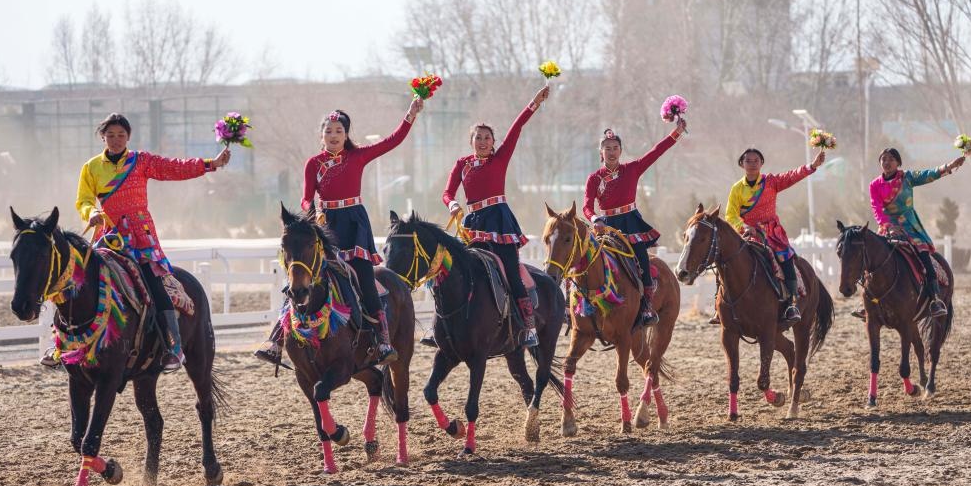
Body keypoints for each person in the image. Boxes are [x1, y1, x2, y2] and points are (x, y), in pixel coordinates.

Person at [42, 113, 231, 370]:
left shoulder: (141, 161)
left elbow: (174, 167)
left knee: (154, 284)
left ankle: (172, 345)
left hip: (141, 238)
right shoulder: (91, 167)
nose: (116, 140)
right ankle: (61, 345)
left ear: (128, 137)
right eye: (111, 135)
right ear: (102, 138)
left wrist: (211, 164)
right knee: (76, 281)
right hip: (108, 237)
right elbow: (83, 200)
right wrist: (92, 213)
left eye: (121, 135)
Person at [255, 96, 424, 366]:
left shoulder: (358, 155)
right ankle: (276, 338)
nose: (333, 135)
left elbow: (393, 140)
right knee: (300, 279)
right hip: (325, 226)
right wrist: (311, 213)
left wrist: (411, 115)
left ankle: (382, 341)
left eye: (339, 131)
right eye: (328, 131)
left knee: (366, 280)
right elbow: (305, 197)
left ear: (346, 135)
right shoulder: (314, 163)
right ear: (321, 135)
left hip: (354, 223)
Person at [421, 85, 551, 348]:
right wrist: (453, 204)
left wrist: (534, 103)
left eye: (487, 138)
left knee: (511, 271)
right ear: (471, 141)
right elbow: (447, 192)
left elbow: (517, 128)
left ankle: (527, 326)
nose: (482, 141)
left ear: (493, 142)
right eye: (478, 137)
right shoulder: (462, 164)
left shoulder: (500, 158)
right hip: (472, 223)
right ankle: (439, 326)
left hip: (499, 221)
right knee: (449, 269)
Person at [581, 119, 686, 324]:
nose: (612, 152)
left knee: (642, 261)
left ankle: (646, 307)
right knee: (583, 260)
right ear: (601, 152)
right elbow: (586, 206)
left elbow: (656, 151)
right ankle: (576, 303)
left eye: (615, 148)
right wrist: (594, 218)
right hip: (606, 226)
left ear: (620, 151)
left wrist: (677, 132)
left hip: (631, 223)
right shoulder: (594, 178)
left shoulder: (632, 169)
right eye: (607, 148)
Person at [722, 146, 825, 325]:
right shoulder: (737, 189)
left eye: (756, 161)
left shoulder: (771, 182)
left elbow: (792, 176)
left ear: (762, 163)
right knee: (727, 260)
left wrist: (812, 166)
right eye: (748, 161)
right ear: (741, 164)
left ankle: (791, 303)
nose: (752, 164)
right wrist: (744, 226)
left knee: (785, 259)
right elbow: (730, 215)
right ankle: (722, 306)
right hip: (748, 233)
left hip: (772, 234)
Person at [867, 147, 965, 317]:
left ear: (898, 162)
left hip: (910, 227)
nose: (887, 162)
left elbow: (929, 174)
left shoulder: (907, 177)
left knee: (924, 257)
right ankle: (868, 301)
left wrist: (949, 166)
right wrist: (887, 225)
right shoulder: (874, 185)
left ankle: (935, 299)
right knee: (870, 258)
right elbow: (876, 207)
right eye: (883, 159)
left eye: (891, 159)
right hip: (887, 226)